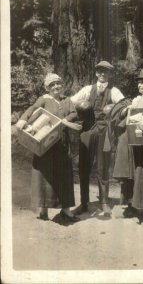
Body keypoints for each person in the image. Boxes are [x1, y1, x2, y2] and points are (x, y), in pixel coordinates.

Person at [16, 73, 80, 223]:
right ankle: (43, 210)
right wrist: (23, 120)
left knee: (64, 175)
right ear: (47, 88)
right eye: (52, 85)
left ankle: (66, 210)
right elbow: (32, 109)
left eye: (58, 84)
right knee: (43, 175)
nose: (56, 87)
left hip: (62, 145)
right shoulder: (44, 99)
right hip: (44, 145)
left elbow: (74, 113)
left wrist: (65, 119)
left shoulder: (66, 100)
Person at [67, 61, 124, 217]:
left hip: (104, 131)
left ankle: (104, 202)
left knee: (102, 167)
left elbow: (124, 105)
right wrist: (80, 106)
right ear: (96, 73)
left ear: (110, 74)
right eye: (100, 71)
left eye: (106, 72)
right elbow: (71, 102)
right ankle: (84, 203)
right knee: (83, 167)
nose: (102, 74)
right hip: (86, 131)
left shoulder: (114, 91)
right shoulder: (87, 89)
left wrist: (114, 109)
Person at [111, 69, 143, 226]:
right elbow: (126, 114)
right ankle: (132, 206)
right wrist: (126, 110)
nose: (140, 85)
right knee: (130, 174)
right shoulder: (136, 99)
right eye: (139, 82)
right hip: (133, 142)